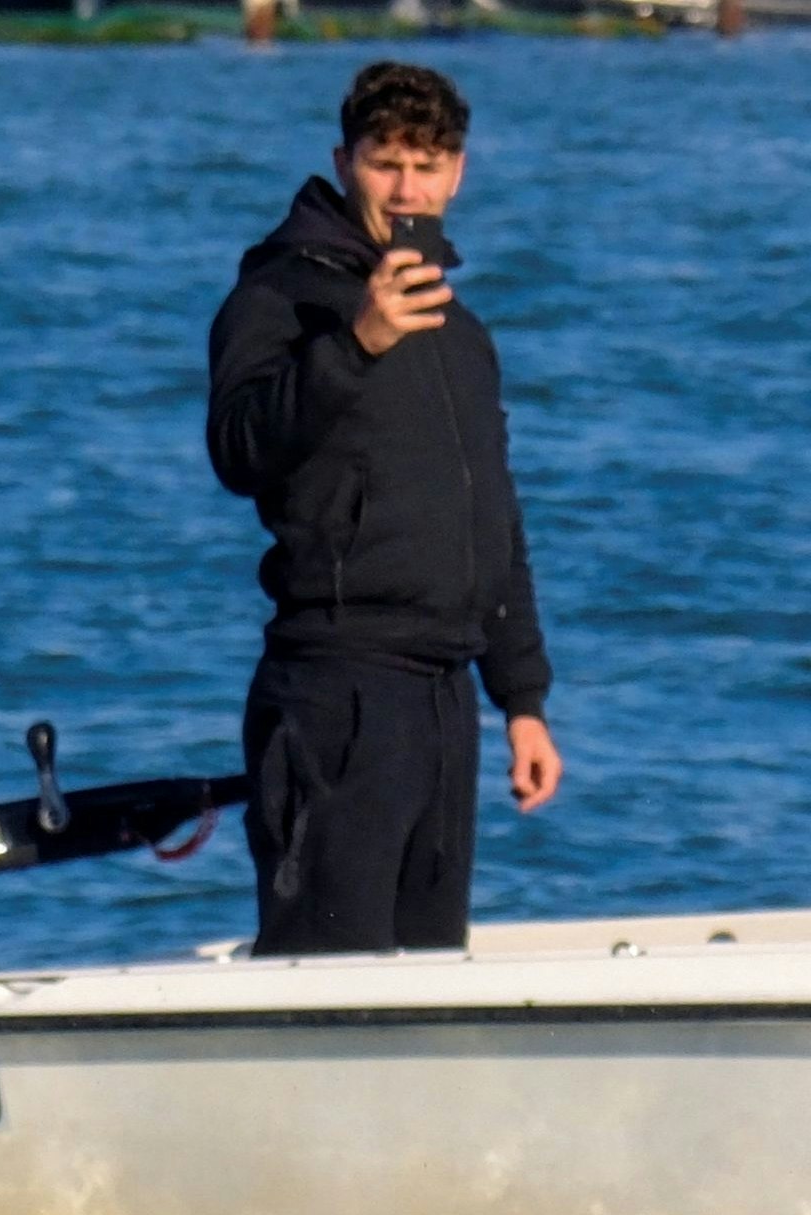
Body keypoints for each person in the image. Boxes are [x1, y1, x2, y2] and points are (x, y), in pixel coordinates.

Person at [207, 62, 562, 956]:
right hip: (336, 690)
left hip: (446, 704)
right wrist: (355, 344)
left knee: (430, 981)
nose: (408, 188)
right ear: (344, 161)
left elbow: (493, 518)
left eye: (428, 165)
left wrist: (521, 699)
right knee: (327, 980)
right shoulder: (277, 296)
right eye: (386, 163)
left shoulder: (462, 334)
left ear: (458, 175)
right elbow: (238, 451)